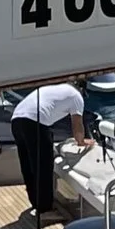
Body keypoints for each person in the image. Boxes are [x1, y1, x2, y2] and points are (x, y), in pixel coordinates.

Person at [10, 83, 91, 221]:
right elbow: (77, 124)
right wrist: (82, 142)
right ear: (82, 90)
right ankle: (45, 210)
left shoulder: (58, 89)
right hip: (36, 121)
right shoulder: (77, 97)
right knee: (43, 166)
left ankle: (36, 203)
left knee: (28, 165)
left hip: (16, 119)